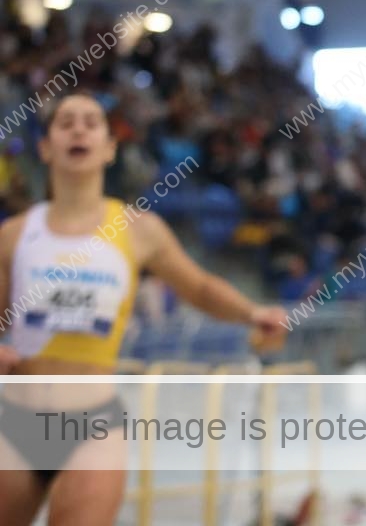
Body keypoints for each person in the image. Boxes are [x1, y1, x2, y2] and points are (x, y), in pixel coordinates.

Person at [0, 91, 288, 526]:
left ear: (110, 148)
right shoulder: (15, 234)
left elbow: (200, 287)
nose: (78, 130)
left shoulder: (138, 230)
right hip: (17, 422)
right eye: (66, 123)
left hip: (92, 426)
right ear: (44, 147)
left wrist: (253, 313)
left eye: (91, 123)